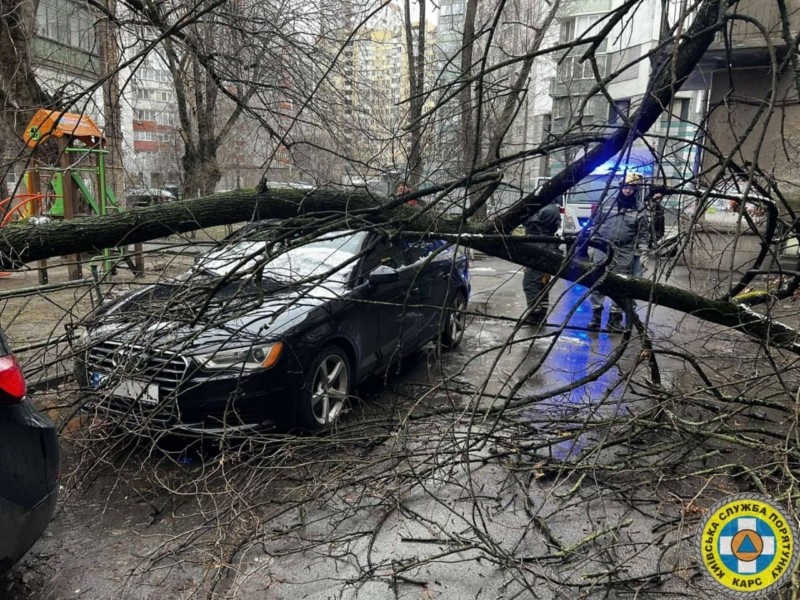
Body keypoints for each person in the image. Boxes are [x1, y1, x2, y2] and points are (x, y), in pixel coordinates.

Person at [588, 172, 651, 333]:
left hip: (625, 250)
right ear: (620, 186)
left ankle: (614, 320)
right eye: (625, 187)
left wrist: (643, 253)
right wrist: (591, 243)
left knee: (620, 283)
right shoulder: (607, 203)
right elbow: (595, 224)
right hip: (603, 247)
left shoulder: (640, 209)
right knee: (598, 281)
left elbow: (643, 233)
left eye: (631, 188)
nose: (627, 191)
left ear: (635, 190)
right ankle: (595, 317)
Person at [521, 198, 562, 326]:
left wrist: (524, 211)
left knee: (531, 282)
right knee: (542, 282)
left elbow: (527, 221)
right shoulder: (553, 208)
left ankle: (535, 313)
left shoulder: (544, 209)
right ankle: (542, 313)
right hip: (546, 246)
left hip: (538, 248)